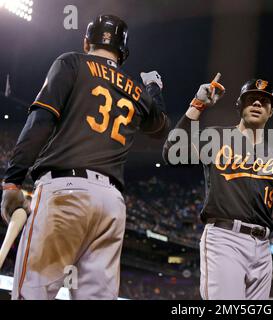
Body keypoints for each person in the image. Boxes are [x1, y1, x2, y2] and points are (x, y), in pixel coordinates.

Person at [0, 14, 169, 300]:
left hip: (65, 192)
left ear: (86, 41)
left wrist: (12, 180)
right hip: (112, 205)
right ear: (123, 52)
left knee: (32, 293)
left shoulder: (72, 61)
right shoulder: (137, 91)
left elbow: (41, 121)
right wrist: (153, 89)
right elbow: (161, 127)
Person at [163, 75, 273, 299]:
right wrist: (197, 105)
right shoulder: (216, 138)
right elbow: (171, 153)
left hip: (263, 248)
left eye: (265, 101)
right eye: (251, 98)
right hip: (225, 239)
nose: (257, 103)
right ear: (239, 105)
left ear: (271, 111)